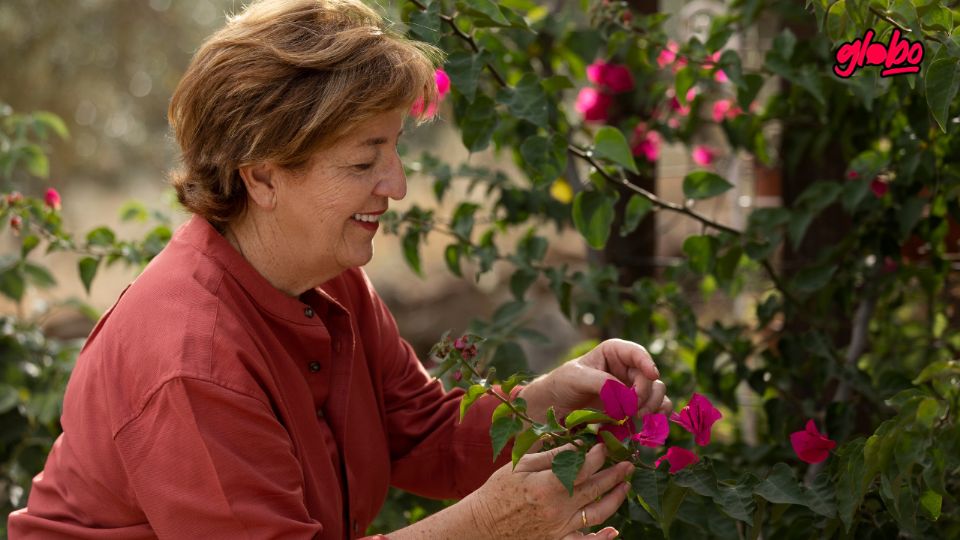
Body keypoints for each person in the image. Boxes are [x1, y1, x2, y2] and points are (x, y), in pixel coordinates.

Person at [7, 1, 670, 538]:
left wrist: (556, 394)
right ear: (263, 176)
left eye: (395, 149)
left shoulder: (328, 275)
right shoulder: (191, 360)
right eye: (363, 161)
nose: (397, 185)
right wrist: (487, 527)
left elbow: (423, 434)